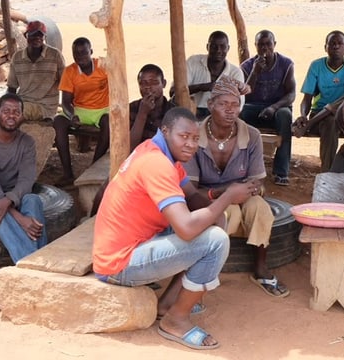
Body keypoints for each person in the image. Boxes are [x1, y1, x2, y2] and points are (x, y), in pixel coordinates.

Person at [93, 106, 256, 350]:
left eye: (195, 139)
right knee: (215, 241)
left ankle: (168, 303)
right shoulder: (155, 163)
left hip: (136, 243)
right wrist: (228, 197)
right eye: (184, 137)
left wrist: (218, 199)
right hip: (119, 263)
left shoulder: (160, 153)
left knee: (215, 221)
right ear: (165, 131)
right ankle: (175, 321)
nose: (191, 144)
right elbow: (187, 229)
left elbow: (192, 196)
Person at [184, 76, 290, 298]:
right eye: (223, 104)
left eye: (235, 105)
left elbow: (257, 181)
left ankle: (260, 269)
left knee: (260, 208)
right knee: (228, 211)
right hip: (208, 197)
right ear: (210, 105)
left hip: (243, 193)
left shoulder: (251, 135)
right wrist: (225, 193)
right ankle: (203, 273)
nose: (230, 111)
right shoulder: (195, 136)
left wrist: (245, 191)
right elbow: (191, 192)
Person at [0, 94, 48, 264]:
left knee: (33, 200)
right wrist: (19, 218)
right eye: (6, 111)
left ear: (22, 116)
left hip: (12, 197)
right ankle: (32, 263)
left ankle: (34, 262)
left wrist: (8, 202)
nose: (11, 116)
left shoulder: (27, 142)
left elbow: (27, 180)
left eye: (16, 112)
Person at [89, 64, 175, 217]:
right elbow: (127, 149)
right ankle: (92, 224)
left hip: (163, 166)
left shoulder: (173, 112)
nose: (149, 88)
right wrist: (142, 114)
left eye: (154, 82)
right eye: (143, 83)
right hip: (134, 163)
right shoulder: (132, 110)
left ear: (164, 84)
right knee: (103, 194)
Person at [292, 30, 344, 171]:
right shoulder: (317, 66)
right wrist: (303, 114)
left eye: (340, 43)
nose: (336, 46)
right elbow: (307, 98)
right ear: (325, 47)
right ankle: (328, 172)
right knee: (330, 121)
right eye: (332, 43)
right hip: (320, 116)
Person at [0, 21, 65, 130]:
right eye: (33, 34)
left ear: (44, 37)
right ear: (27, 36)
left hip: (43, 106)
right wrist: (2, 104)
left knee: (9, 118)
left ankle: (1, 144)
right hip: (21, 102)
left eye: (40, 35)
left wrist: (64, 111)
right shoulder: (18, 57)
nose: (37, 38)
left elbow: (65, 85)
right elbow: (11, 88)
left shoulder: (55, 55)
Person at [240, 30, 296, 186]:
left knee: (285, 116)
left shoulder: (286, 64)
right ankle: (243, 167)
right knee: (240, 113)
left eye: (268, 44)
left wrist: (273, 107)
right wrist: (255, 72)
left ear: (274, 45)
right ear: (255, 46)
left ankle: (281, 171)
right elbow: (244, 93)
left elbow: (291, 94)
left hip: (278, 107)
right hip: (254, 106)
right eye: (260, 45)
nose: (265, 48)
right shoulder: (247, 66)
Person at [53, 37, 110, 186]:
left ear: (91, 52)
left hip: (102, 109)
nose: (80, 57)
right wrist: (72, 115)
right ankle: (68, 173)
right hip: (79, 110)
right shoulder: (70, 71)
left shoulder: (103, 66)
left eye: (84, 53)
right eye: (76, 54)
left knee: (109, 123)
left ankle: (93, 167)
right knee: (58, 122)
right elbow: (65, 101)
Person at [179, 31, 245, 119]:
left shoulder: (235, 72)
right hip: (192, 113)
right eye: (214, 46)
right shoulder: (193, 62)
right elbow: (174, 92)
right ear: (207, 47)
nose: (218, 50)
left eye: (222, 47)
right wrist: (202, 87)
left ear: (228, 48)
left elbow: (238, 105)